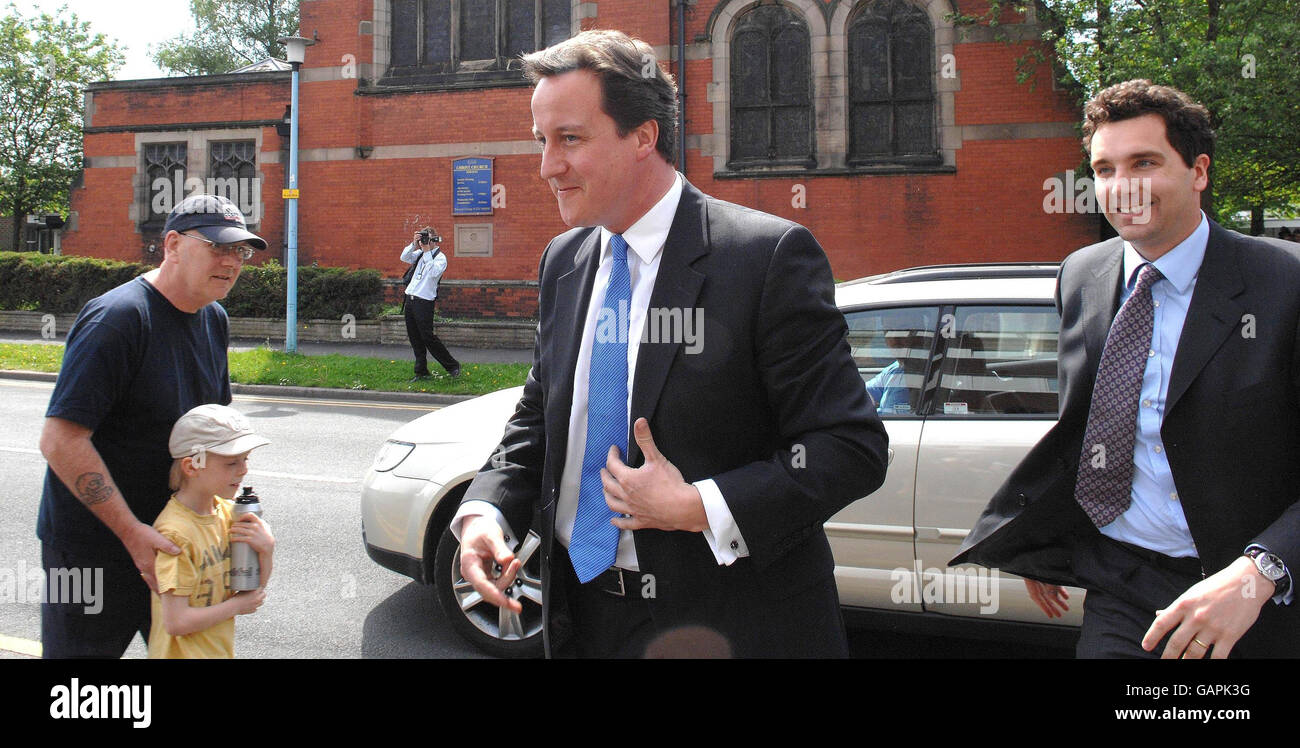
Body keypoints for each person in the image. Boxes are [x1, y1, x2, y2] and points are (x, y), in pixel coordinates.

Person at [451, 30, 889, 658]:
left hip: (733, 626)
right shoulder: (564, 261)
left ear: (643, 137)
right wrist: (486, 514)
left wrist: (699, 506)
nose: (548, 165)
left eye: (570, 139)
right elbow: (541, 416)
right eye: (542, 141)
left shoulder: (764, 258)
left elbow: (850, 446)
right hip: (582, 620)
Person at [952, 80, 1299, 658]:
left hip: (1258, 597)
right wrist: (1049, 527)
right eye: (1105, 169)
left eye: (1144, 162)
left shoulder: (1284, 284)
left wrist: (1260, 572)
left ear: (1199, 172)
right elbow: (1085, 424)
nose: (1122, 186)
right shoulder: (1082, 275)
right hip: (1127, 586)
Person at [37, 193, 266, 658]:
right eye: (218, 248)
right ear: (173, 245)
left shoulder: (213, 318)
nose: (231, 262)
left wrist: (238, 517)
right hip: (91, 550)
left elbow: (214, 436)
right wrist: (131, 532)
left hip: (173, 544)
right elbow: (61, 439)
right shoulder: (119, 319)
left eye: (240, 251)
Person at [149, 404, 275, 659]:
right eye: (231, 462)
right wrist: (236, 606)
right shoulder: (175, 533)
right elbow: (177, 622)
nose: (243, 469)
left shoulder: (229, 513)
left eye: (245, 459)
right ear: (192, 466)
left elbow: (253, 591)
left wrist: (267, 550)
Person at [400, 227, 460, 379]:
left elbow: (433, 273)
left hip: (424, 302)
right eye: (423, 238)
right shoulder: (419, 253)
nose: (425, 242)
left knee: (428, 337)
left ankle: (452, 366)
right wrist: (414, 244)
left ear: (435, 239)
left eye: (428, 238)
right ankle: (421, 371)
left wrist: (427, 252)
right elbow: (404, 257)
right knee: (414, 337)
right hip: (410, 299)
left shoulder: (440, 258)